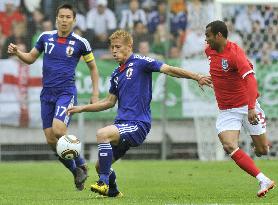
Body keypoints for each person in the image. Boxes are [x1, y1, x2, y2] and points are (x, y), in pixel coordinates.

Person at [67, 29, 212, 197]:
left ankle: (104, 183)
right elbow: (109, 102)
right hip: (121, 125)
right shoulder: (116, 74)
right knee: (101, 166)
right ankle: (113, 191)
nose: (113, 51)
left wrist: (197, 76)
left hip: (137, 124)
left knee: (102, 134)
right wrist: (82, 108)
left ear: (129, 46)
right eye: (112, 47)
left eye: (118, 47)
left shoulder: (141, 62)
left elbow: (170, 69)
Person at [7, 4, 100, 191]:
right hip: (46, 94)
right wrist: (18, 53)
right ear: (56, 18)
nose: (64, 20)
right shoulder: (45, 37)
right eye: (61, 16)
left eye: (68, 17)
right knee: (51, 141)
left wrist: (95, 93)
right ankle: (76, 172)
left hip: (66, 93)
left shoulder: (81, 42)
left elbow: (93, 68)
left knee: (59, 130)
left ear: (74, 20)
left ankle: (81, 162)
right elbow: (31, 57)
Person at [204, 20, 275, 197]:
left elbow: (251, 80)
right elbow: (220, 72)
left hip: (247, 106)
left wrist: (251, 108)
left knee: (262, 150)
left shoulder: (235, 54)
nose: (206, 40)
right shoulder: (209, 51)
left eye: (208, 36)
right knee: (229, 145)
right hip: (227, 110)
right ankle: (263, 179)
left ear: (219, 35)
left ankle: (258, 145)